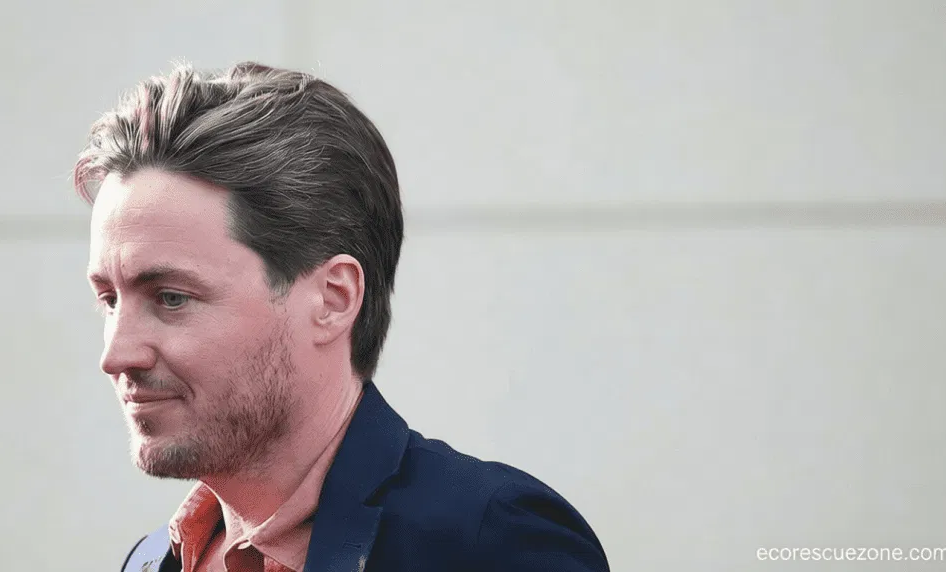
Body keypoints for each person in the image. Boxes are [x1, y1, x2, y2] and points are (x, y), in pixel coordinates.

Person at [73, 60, 609, 572]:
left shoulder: (492, 545)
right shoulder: (152, 560)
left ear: (333, 298)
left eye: (171, 297)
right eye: (109, 299)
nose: (115, 355)